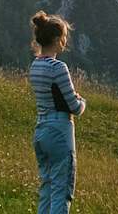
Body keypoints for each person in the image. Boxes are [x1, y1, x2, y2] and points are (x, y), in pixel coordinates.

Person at [29, 11, 86, 214]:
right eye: (63, 37)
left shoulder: (35, 66)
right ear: (56, 39)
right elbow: (75, 107)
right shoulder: (58, 67)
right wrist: (82, 100)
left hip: (41, 129)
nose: (64, 41)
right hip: (60, 131)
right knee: (62, 191)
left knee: (47, 187)